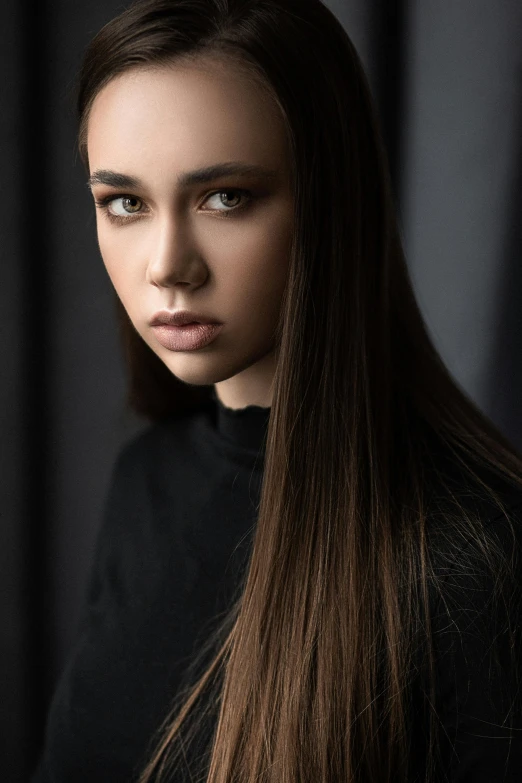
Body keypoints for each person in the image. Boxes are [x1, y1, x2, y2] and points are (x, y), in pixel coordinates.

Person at [31, 0, 522, 781]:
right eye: (124, 202)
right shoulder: (146, 481)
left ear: (329, 202)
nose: (167, 264)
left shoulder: (475, 555)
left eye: (226, 197)